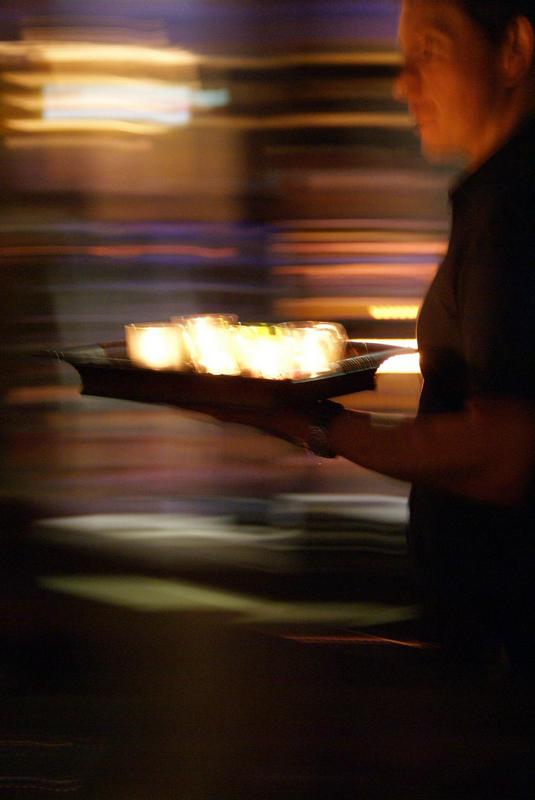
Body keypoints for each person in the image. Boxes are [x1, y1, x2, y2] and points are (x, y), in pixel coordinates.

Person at [210, 0, 535, 676]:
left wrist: (314, 422)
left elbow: (504, 453)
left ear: (512, 51)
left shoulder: (511, 206)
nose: (401, 81)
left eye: (430, 49)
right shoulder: (494, 196)